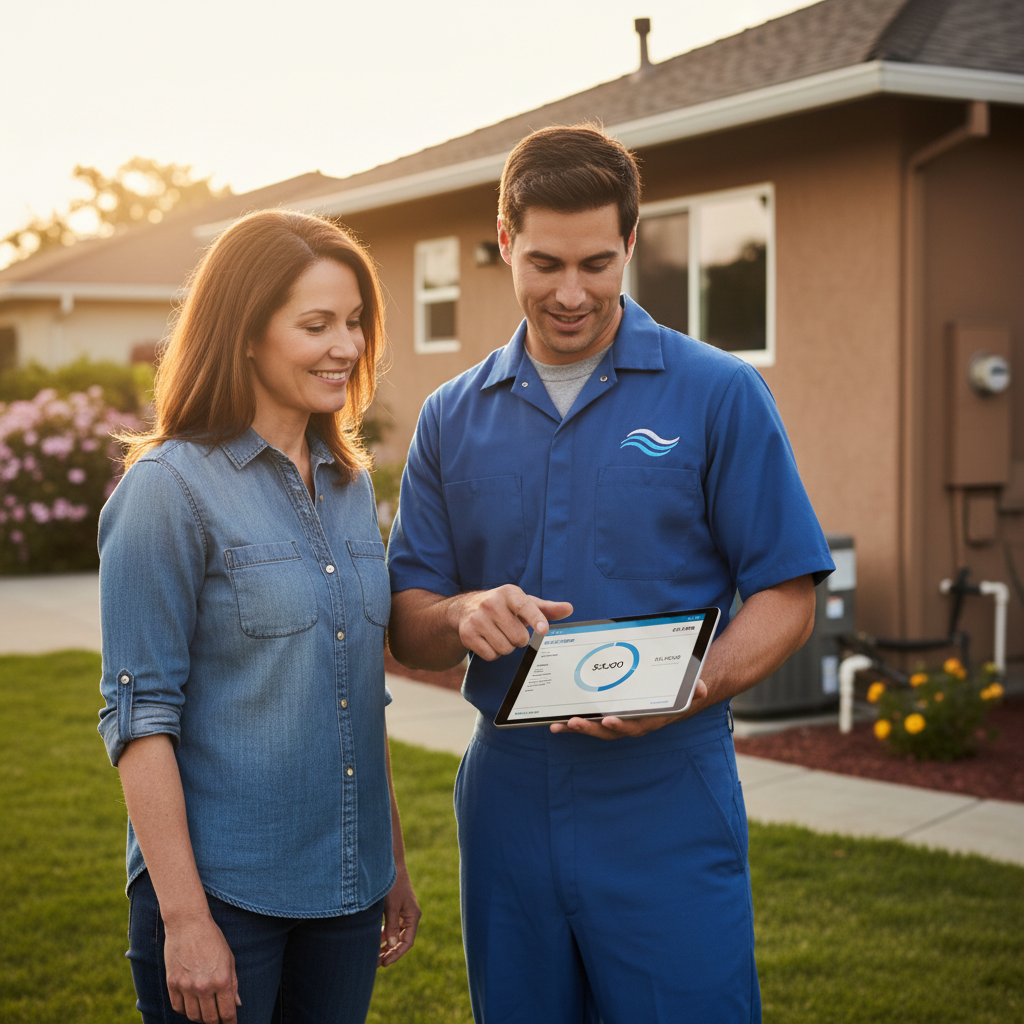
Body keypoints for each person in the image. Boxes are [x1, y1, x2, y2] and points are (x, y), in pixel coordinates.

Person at [386, 124, 834, 1023]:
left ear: (631, 243)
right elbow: (408, 616)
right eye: (544, 262)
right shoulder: (449, 416)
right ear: (505, 241)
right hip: (507, 790)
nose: (570, 293)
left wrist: (693, 686)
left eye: (597, 262)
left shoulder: (718, 393)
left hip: (667, 786)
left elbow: (788, 591)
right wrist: (463, 612)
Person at [97, 210, 420, 1024]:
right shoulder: (168, 491)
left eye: (353, 322)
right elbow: (139, 720)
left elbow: (356, 689)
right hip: (223, 897)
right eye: (316, 325)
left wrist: (391, 863)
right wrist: (186, 921)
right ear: (245, 333)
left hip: (348, 891)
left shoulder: (348, 487)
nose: (345, 345)